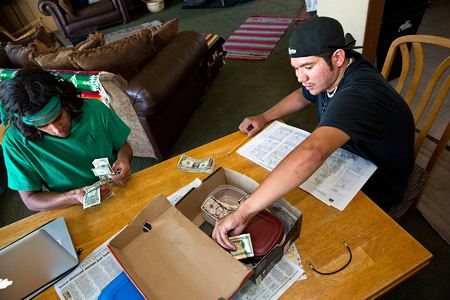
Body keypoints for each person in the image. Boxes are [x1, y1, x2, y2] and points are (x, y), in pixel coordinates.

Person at [212, 16, 415, 249]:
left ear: (338, 57)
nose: (301, 78)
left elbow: (314, 152)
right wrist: (266, 116)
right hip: (350, 156)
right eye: (296, 69)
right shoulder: (330, 74)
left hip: (379, 180)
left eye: (308, 67)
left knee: (311, 233)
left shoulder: (359, 93)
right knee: (280, 190)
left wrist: (244, 211)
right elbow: (302, 95)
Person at [0, 66, 133, 211]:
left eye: (58, 117)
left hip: (119, 187)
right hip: (70, 205)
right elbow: (31, 200)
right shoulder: (15, 144)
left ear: (66, 102)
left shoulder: (94, 110)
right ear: (28, 125)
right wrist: (72, 197)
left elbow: (123, 146)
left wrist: (124, 159)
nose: (57, 129)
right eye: (43, 126)